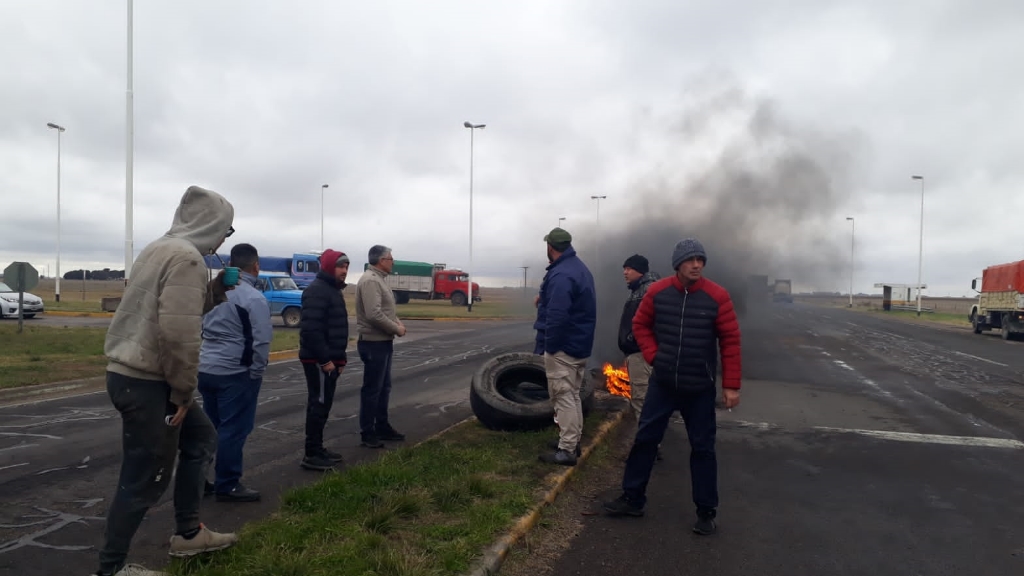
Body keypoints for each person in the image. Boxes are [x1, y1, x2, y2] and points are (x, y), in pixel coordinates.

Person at [96, 186, 238, 576]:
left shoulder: (159, 248)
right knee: (142, 482)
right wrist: (183, 393)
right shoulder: (188, 258)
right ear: (212, 224)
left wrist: (216, 290)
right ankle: (109, 570)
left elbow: (169, 312)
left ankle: (189, 533)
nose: (225, 238)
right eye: (227, 230)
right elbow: (178, 335)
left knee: (202, 438)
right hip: (149, 383)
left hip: (131, 376)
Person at [603, 238, 741, 536]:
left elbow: (730, 341)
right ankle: (632, 498)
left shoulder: (717, 296)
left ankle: (706, 512)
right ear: (677, 264)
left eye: (700, 260)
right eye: (690, 260)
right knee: (645, 441)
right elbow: (639, 325)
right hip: (663, 384)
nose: (696, 265)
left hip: (699, 388)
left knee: (703, 449)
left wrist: (731, 385)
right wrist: (654, 356)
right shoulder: (658, 292)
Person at [197, 243, 272, 502]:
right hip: (235, 372)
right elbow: (261, 341)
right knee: (234, 429)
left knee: (210, 428)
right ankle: (227, 484)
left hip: (206, 367)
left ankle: (196, 479)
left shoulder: (212, 291)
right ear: (255, 266)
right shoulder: (253, 298)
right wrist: (257, 371)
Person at [534, 227, 597, 466]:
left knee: (563, 396)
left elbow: (558, 315)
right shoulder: (578, 268)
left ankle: (567, 449)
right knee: (572, 395)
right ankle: (573, 440)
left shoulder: (561, 274)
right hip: (579, 344)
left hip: (564, 347)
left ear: (550, 247)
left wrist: (551, 347)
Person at [298, 248, 351, 471]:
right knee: (318, 405)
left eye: (347, 266)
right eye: (341, 266)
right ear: (330, 267)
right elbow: (311, 329)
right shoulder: (317, 291)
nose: (345, 271)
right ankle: (312, 453)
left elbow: (337, 329)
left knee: (324, 405)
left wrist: (340, 360)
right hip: (318, 362)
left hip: (331, 361)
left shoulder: (332, 290)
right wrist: (325, 360)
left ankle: (318, 448)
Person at [355, 244, 407, 449]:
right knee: (372, 390)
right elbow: (374, 314)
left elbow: (387, 310)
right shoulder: (370, 281)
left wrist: (398, 323)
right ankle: (368, 432)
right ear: (380, 260)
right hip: (373, 343)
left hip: (383, 342)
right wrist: (396, 329)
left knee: (383, 388)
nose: (393, 261)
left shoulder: (380, 280)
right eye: (390, 258)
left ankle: (382, 426)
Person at [617, 254, 660, 420]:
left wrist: (631, 339)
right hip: (640, 354)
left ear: (640, 271)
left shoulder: (648, 290)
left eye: (628, 269)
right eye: (624, 269)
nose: (624, 273)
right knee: (645, 400)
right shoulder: (639, 290)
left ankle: (646, 443)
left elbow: (652, 323)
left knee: (641, 401)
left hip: (642, 355)